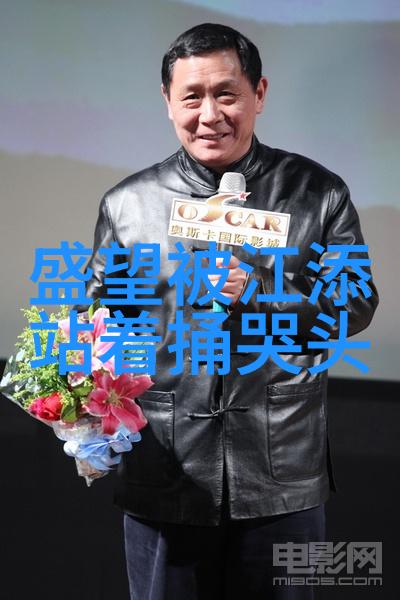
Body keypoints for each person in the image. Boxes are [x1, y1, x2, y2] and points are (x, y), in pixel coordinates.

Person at [84, 23, 378, 600]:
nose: (209, 114)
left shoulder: (318, 193)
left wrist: (259, 289)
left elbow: (355, 303)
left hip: (282, 472)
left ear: (258, 94)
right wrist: (74, 398)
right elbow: (94, 320)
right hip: (165, 471)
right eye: (192, 96)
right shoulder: (128, 203)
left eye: (226, 94)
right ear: (167, 100)